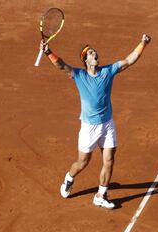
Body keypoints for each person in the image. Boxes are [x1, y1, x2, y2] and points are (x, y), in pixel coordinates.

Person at [40, 34, 151, 209]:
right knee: (83, 162)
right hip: (89, 127)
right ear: (86, 60)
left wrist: (143, 44)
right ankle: (69, 178)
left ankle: (101, 194)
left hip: (107, 124)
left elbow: (129, 60)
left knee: (109, 160)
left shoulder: (108, 71)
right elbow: (61, 65)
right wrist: (48, 52)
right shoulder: (79, 75)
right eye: (91, 53)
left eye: (95, 52)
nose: (95, 54)